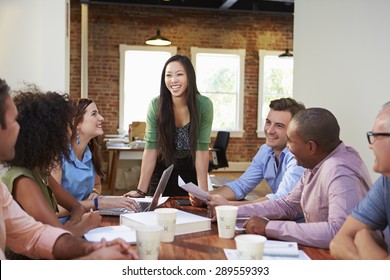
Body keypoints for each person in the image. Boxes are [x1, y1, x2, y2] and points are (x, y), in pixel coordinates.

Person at [0, 78, 138, 259]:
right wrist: (81, 226)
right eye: (13, 121)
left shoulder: (38, 174)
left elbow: (44, 237)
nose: (19, 128)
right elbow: (56, 235)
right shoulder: (22, 179)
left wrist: (90, 247)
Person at [230, 108, 372, 248]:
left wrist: (269, 227)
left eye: (291, 141)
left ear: (311, 147)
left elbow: (339, 232)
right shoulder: (317, 163)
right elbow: (288, 204)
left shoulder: (339, 171)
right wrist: (233, 211)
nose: (287, 146)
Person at [2, 86, 101, 238]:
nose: (70, 131)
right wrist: (85, 224)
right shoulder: (23, 180)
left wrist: (72, 225)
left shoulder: (41, 172)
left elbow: (77, 207)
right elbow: (58, 238)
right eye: (67, 125)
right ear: (49, 134)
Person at [124, 55, 213, 199]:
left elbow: (201, 149)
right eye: (168, 75)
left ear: (189, 77)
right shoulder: (156, 105)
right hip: (163, 170)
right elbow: (151, 148)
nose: (173, 80)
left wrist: (203, 193)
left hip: (190, 171)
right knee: (156, 214)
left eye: (179, 74)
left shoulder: (203, 105)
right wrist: (140, 191)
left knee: (192, 215)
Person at [51, 98, 138, 222]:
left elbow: (97, 185)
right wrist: (98, 203)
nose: (101, 118)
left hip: (84, 221)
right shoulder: (57, 158)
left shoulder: (90, 153)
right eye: (94, 114)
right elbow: (53, 210)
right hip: (63, 228)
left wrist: (96, 193)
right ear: (77, 123)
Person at [207, 97, 306, 206]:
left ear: (294, 130)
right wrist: (207, 196)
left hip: (304, 221)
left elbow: (281, 199)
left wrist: (230, 205)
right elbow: (241, 185)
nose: (269, 130)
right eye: (268, 122)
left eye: (279, 126)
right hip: (281, 216)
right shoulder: (266, 151)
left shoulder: (298, 157)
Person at [330, 102, 390, 259]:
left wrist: (363, 238)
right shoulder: (386, 182)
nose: (371, 145)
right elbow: (338, 243)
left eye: (376, 136)